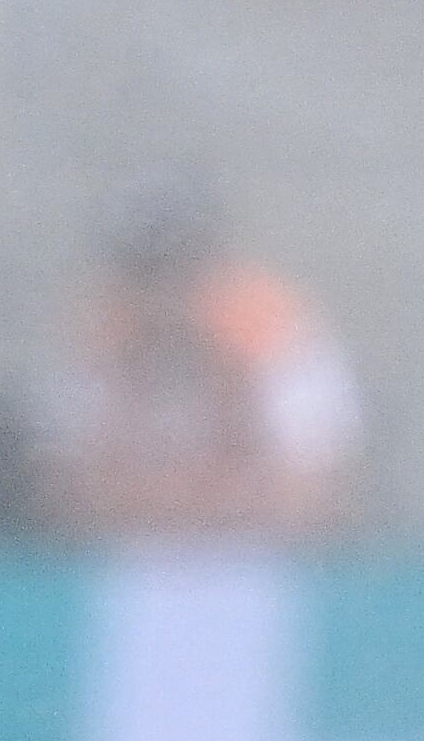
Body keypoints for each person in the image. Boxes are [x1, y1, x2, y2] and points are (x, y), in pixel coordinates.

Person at [41, 194, 360, 537]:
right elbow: (63, 490)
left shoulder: (274, 332)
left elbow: (316, 491)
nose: (166, 292)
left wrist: (205, 500)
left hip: (257, 555)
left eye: (181, 268)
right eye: (148, 273)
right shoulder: (100, 333)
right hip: (124, 556)